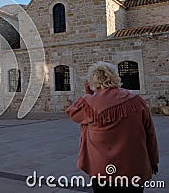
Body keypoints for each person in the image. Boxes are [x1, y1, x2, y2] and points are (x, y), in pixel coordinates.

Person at [66, 61, 159, 192]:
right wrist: (153, 160)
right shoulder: (137, 101)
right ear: (115, 77)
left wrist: (90, 94)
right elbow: (150, 133)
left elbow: (72, 111)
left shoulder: (88, 104)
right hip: (134, 168)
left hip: (102, 170)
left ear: (93, 81)